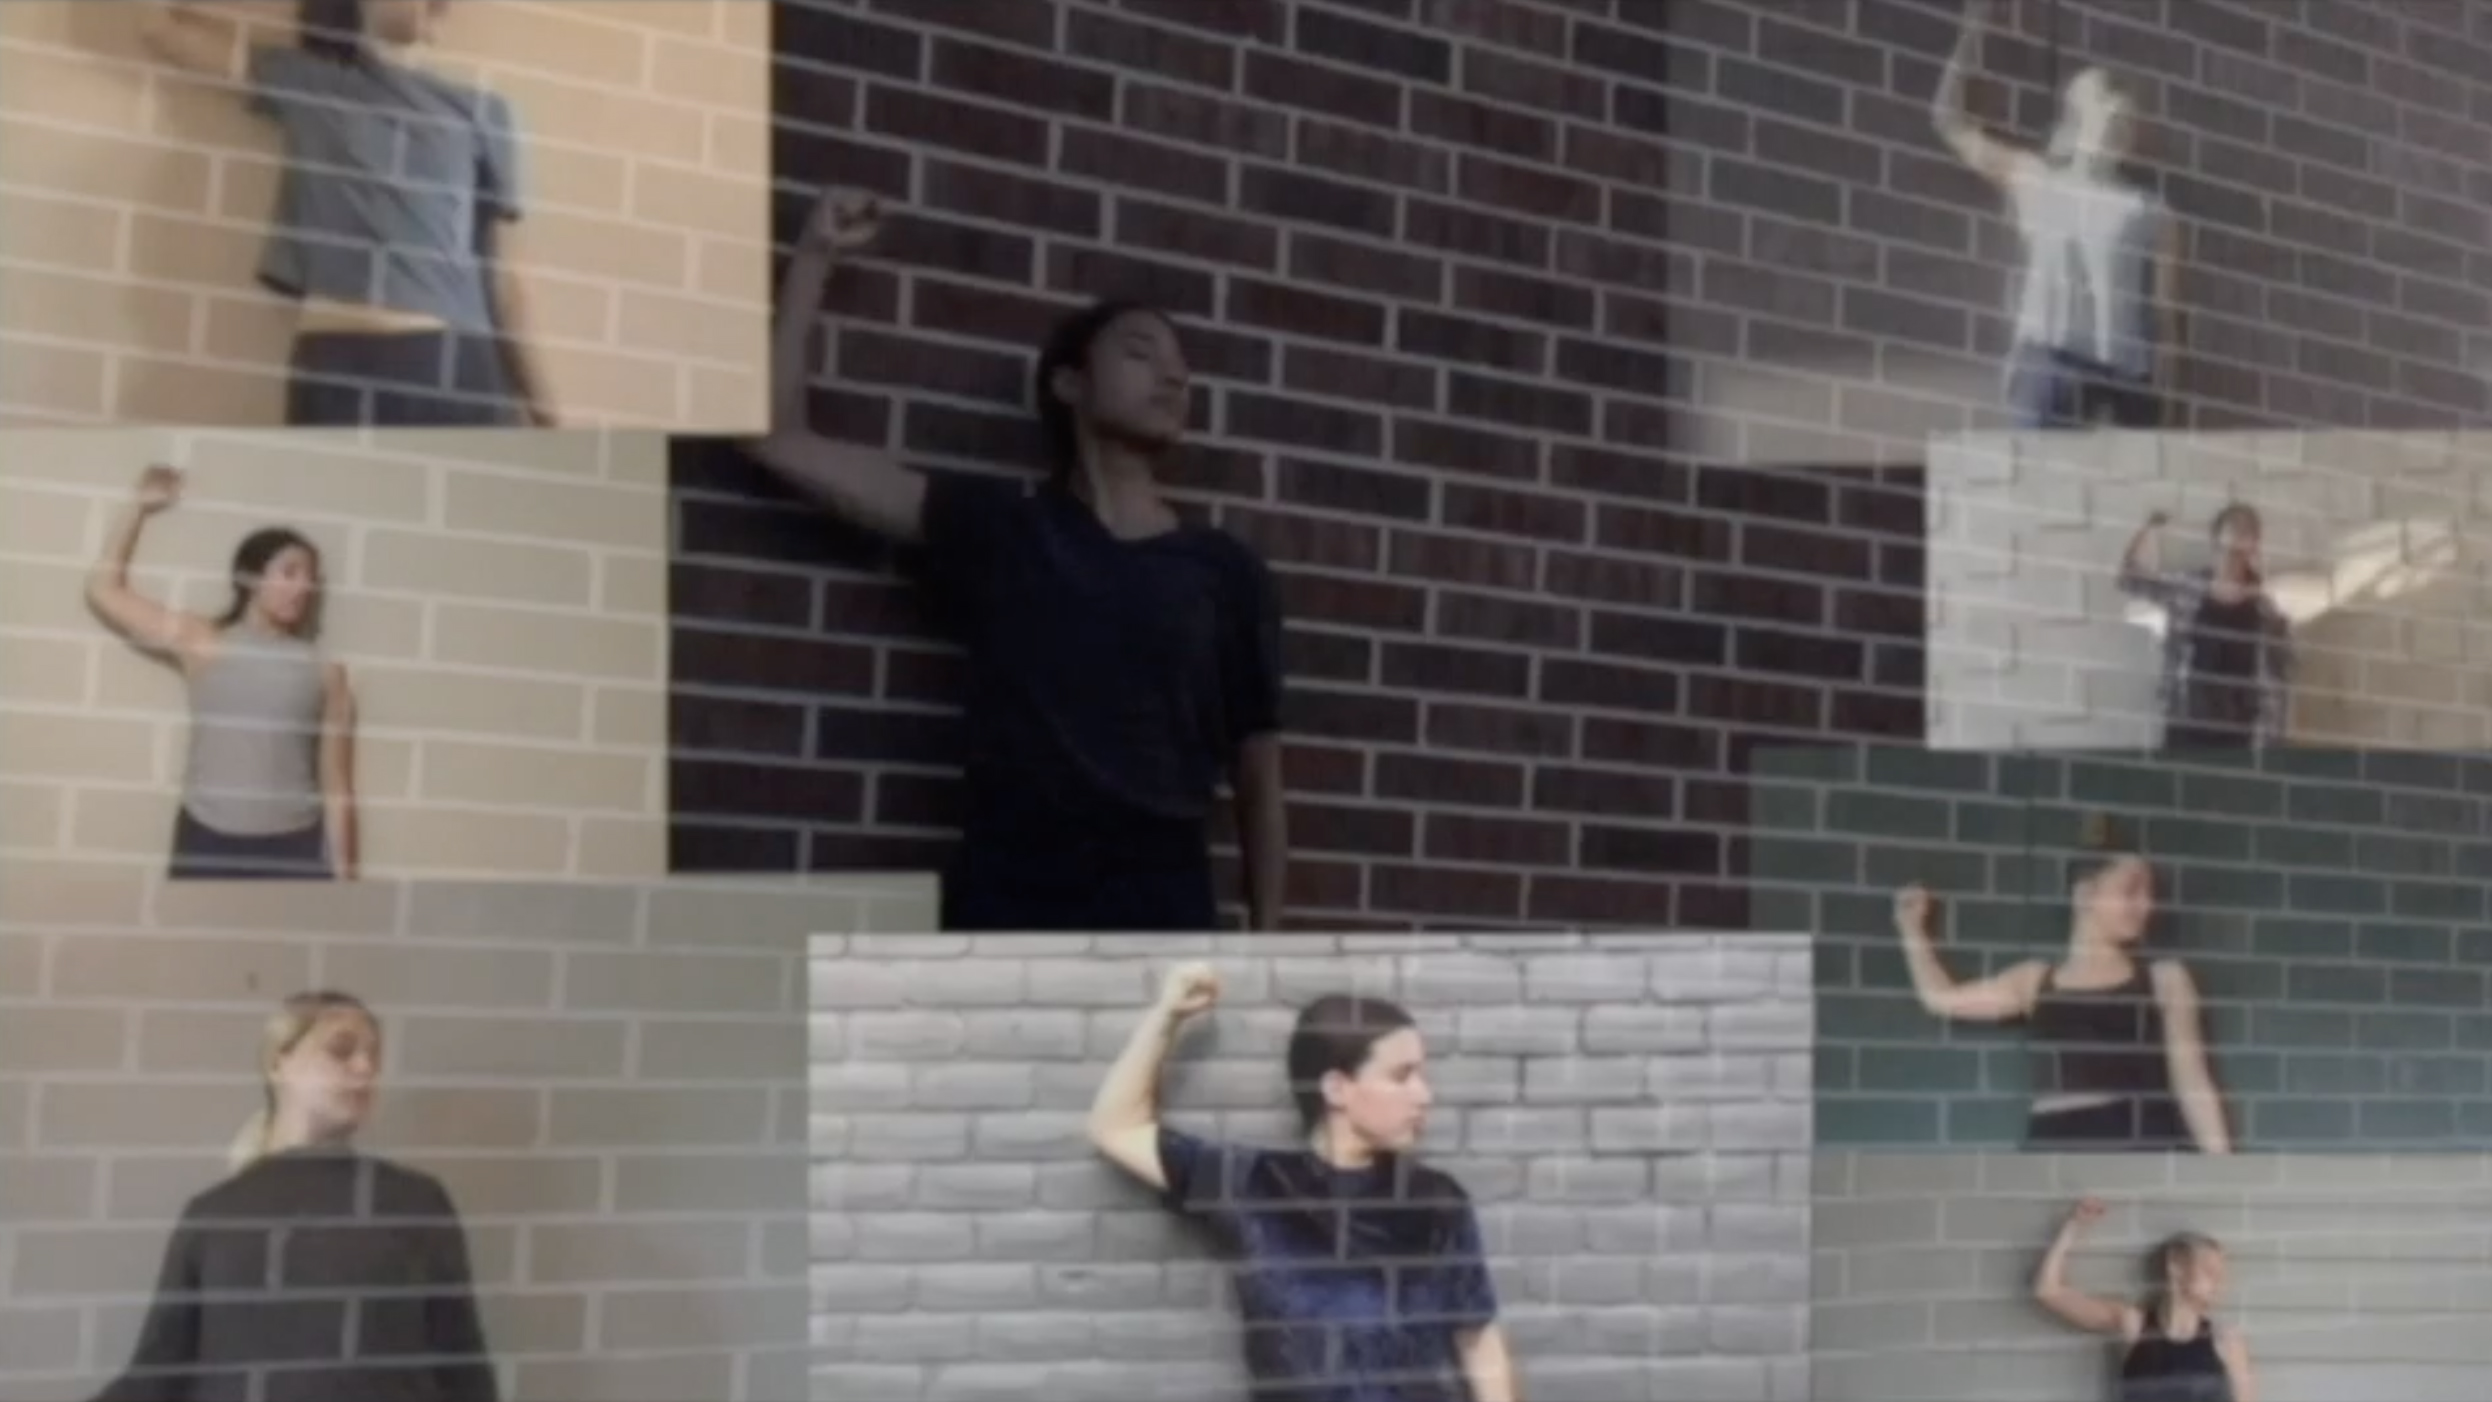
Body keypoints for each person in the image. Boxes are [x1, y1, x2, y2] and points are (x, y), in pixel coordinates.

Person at [742, 185, 1288, 932]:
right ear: (1068, 383)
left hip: (1161, 920)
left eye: (1182, 370)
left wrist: (1267, 950)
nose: (1173, 377)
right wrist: (814, 257)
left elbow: (1260, 778)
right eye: (1140, 352)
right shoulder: (1001, 528)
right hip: (1007, 912)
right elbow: (776, 440)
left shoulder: (1225, 571)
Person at [1088, 965, 1516, 1402]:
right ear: (1337, 1089)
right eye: (1401, 1076)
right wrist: (1167, 1016)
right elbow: (1116, 1128)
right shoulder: (1252, 1185)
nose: (1424, 1095)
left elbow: (1480, 1343)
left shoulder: (1437, 1201)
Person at [138, 0, 552, 427]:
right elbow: (157, 28)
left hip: (451, 367)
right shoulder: (309, 81)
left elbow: (506, 279)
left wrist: (546, 412)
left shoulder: (482, 112)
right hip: (334, 368)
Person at [89, 991, 499, 1402]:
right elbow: (157, 1374)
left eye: (373, 1056)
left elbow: (465, 1369)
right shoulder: (216, 1216)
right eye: (341, 1050)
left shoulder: (414, 1203)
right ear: (278, 1062)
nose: (365, 1068)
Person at [85, 464, 359, 880]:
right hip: (208, 841)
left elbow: (337, 787)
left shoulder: (326, 673)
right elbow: (103, 591)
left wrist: (347, 881)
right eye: (289, 572)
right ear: (251, 577)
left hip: (296, 848)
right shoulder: (203, 641)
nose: (302, 587)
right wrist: (137, 509)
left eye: (309, 578)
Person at [1893, 818, 2229, 1152]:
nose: (2146, 905)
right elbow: (1940, 999)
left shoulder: (2165, 980)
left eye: (2149, 894)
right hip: (2055, 1148)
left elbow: (2193, 1082)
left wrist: (2225, 1170)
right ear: (2085, 895)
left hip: (2139, 1148)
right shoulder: (2033, 981)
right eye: (2131, 891)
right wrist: (1912, 931)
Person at [1933, 0, 2180, 428]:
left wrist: (2168, 410)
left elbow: (2166, 323)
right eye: (2103, 102)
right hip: (2047, 369)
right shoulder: (2036, 181)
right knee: (2037, 468)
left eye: (2125, 118)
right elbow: (1949, 123)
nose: (2115, 115)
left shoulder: (2151, 212)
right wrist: (1972, 33)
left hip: (2124, 380)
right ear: (2076, 117)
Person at [2033, 1197, 2257, 1402]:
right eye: (2210, 1272)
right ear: (2176, 1267)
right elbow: (2048, 1291)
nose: (2220, 1283)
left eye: (2222, 1275)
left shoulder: (2226, 1341)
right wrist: (2073, 1226)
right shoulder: (2133, 1325)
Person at [2116, 506, 2294, 750]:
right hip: (2186, 726)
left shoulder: (2267, 610)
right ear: (2214, 541)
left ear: (2254, 547)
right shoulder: (2187, 590)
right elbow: (2129, 579)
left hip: (2243, 738)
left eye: (2242, 542)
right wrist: (2148, 529)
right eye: (2226, 544)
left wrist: (2273, 747)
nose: (2231, 553)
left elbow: (2278, 685)